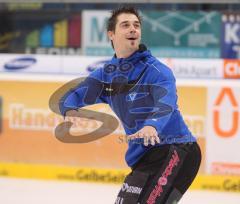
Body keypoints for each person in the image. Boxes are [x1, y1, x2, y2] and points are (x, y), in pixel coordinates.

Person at [59, 6, 201, 204]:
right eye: (125, 25)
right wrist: (70, 110)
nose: (133, 29)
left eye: (136, 25)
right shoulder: (105, 75)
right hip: (144, 158)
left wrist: (152, 125)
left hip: (176, 149)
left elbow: (165, 103)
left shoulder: (157, 71)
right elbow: (70, 96)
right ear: (111, 34)